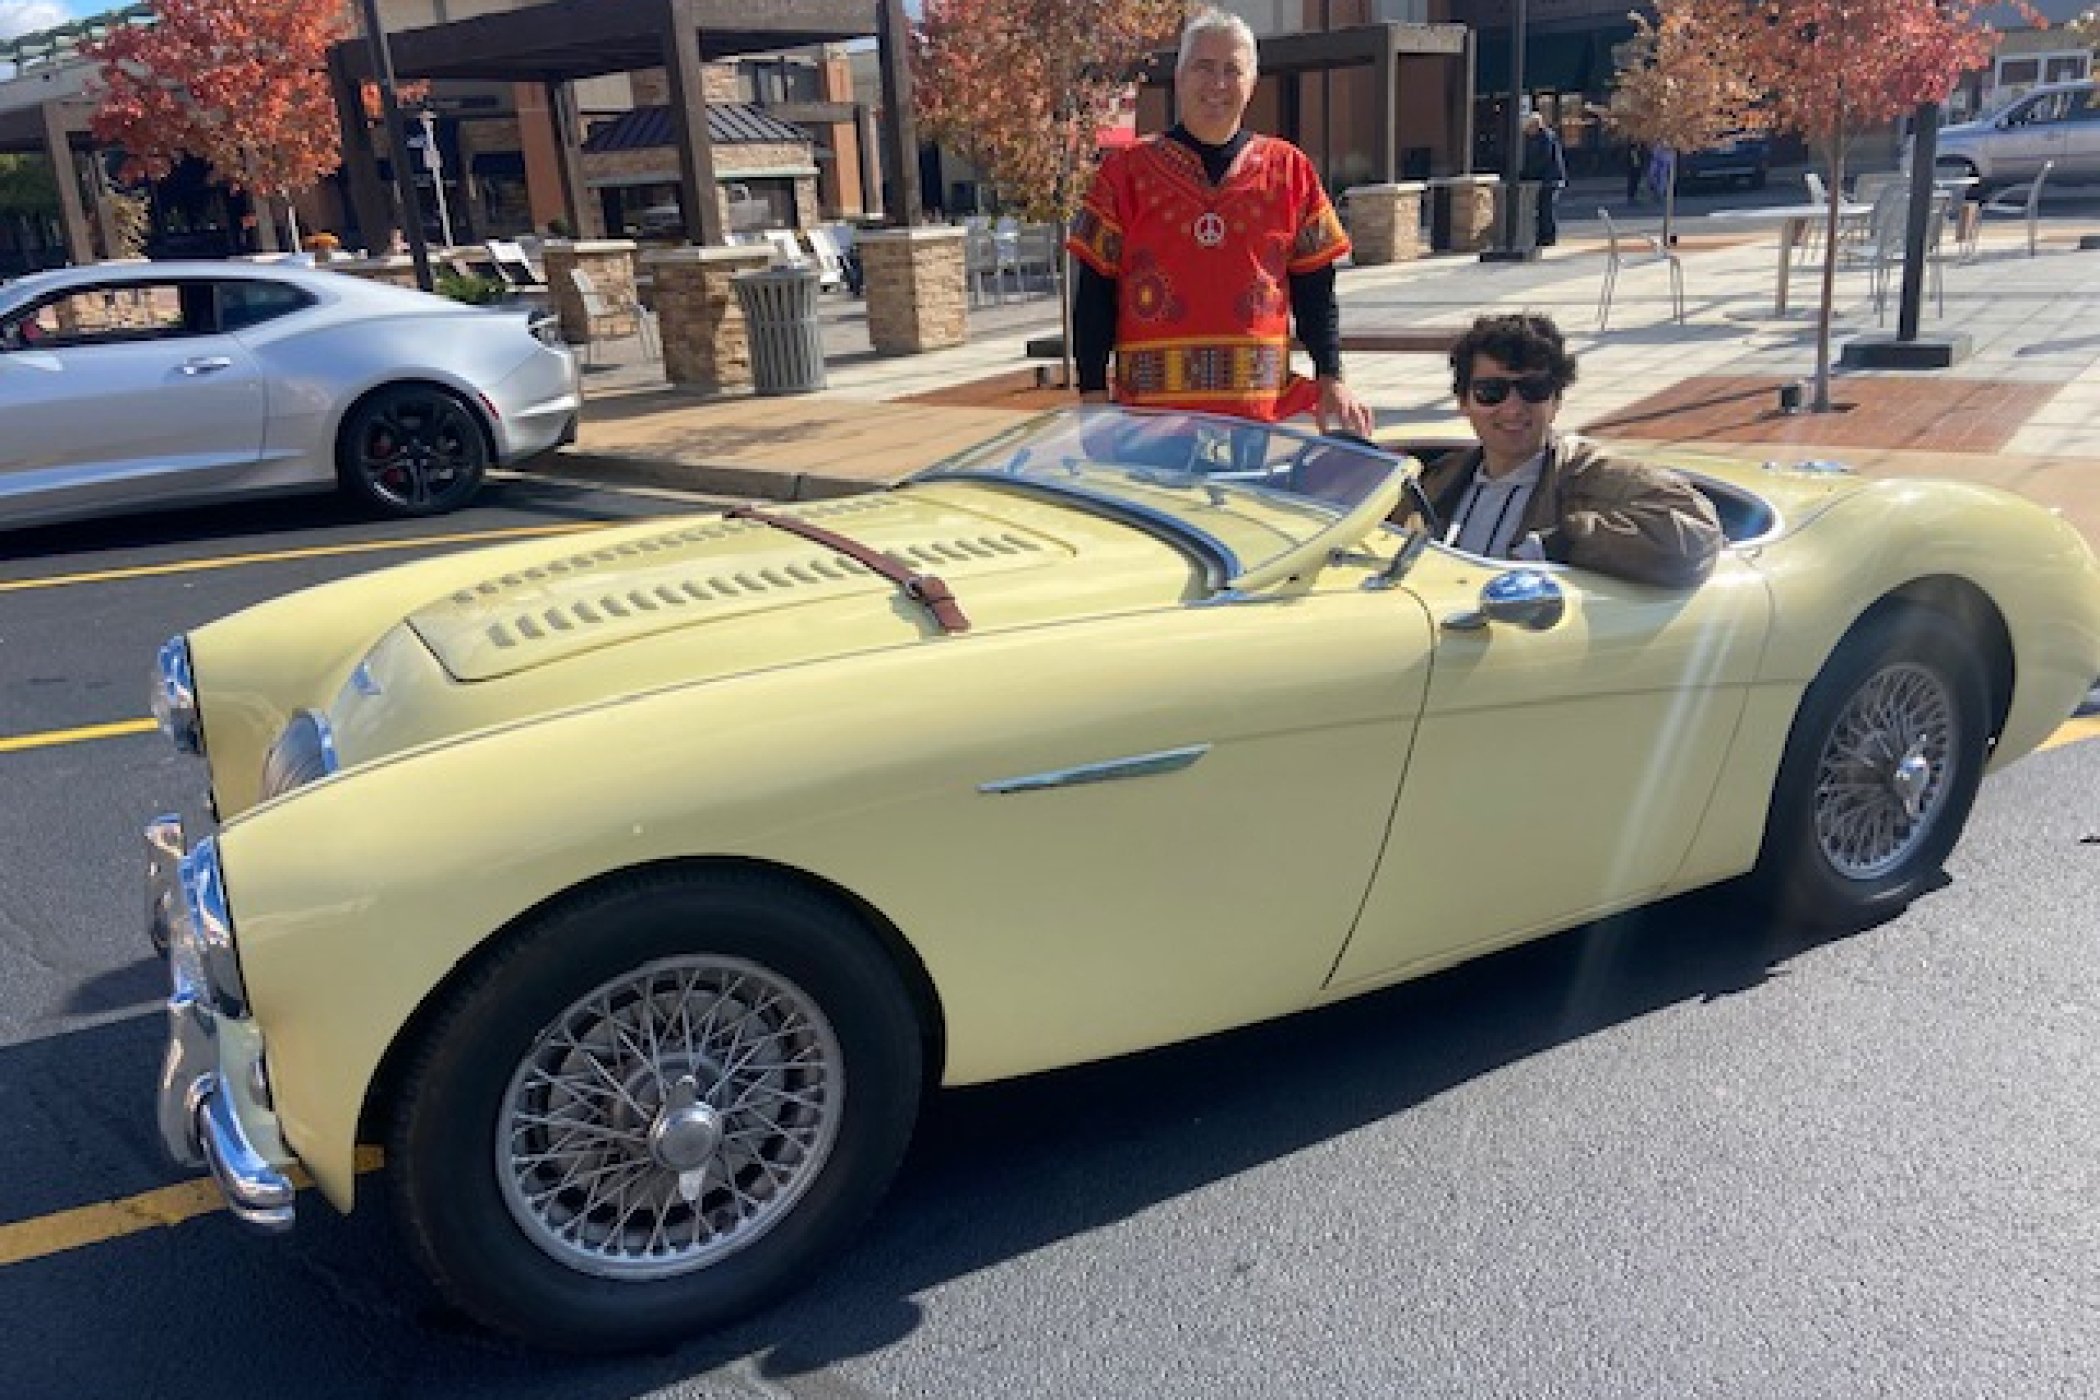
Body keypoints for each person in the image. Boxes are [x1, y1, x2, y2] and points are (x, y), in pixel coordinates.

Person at [1066, 7, 1373, 438]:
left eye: (1233, 70)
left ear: (1252, 84)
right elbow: (1094, 293)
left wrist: (1331, 375)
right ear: (1179, 77)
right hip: (1149, 423)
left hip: (1256, 418)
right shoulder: (1125, 173)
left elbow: (1315, 290)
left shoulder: (1290, 170)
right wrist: (1093, 393)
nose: (1218, 84)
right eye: (1204, 67)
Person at [1405, 313, 1722, 588]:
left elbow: (1698, 533)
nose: (1513, 409)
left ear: (1556, 401)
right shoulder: (1436, 483)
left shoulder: (1591, 476)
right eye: (1491, 392)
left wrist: (1562, 544)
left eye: (1533, 390)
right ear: (1464, 402)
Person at [1519, 111, 1567, 248]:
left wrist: (1528, 174)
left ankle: (1548, 237)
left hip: (1550, 179)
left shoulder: (1546, 137)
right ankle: (1542, 236)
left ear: (1536, 125)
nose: (1527, 131)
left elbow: (1543, 159)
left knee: (1546, 208)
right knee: (1541, 208)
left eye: (1529, 127)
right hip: (1542, 179)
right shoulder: (1532, 138)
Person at [1624, 138, 1648, 206]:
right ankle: (1631, 195)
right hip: (1632, 169)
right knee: (1631, 182)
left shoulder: (1639, 151)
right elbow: (1627, 160)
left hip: (1637, 168)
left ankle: (1634, 194)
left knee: (1636, 181)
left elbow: (1642, 158)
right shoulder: (1630, 151)